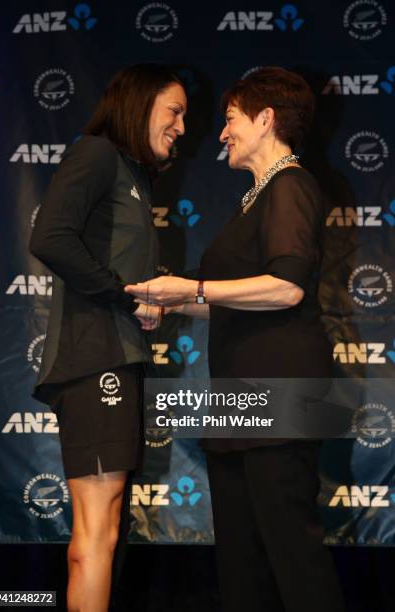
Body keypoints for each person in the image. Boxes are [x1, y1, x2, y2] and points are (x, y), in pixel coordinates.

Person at [125, 66, 346, 612]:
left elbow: (287, 288)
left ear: (266, 119)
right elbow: (236, 301)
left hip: (280, 386)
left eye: (229, 120)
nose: (220, 133)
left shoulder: (291, 185)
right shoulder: (255, 197)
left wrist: (192, 286)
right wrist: (176, 300)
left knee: (289, 549)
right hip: (239, 392)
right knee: (241, 558)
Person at [29, 64, 187, 612]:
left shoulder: (134, 176)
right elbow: (49, 236)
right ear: (139, 106)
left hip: (115, 358)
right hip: (94, 356)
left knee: (106, 525)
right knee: (97, 531)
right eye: (175, 111)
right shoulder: (97, 153)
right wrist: (125, 298)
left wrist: (144, 303)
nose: (182, 126)